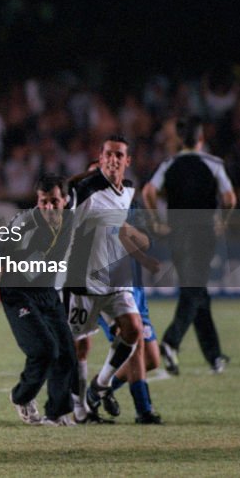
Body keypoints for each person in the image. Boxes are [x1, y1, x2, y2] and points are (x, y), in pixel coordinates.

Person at [0, 174, 77, 426]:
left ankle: (57, 413)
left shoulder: (71, 218)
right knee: (44, 350)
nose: (49, 207)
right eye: (43, 202)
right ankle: (21, 397)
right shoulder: (24, 223)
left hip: (47, 292)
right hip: (18, 293)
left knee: (66, 352)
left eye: (54, 201)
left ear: (65, 200)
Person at [60, 136, 146, 422]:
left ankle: (102, 383)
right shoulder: (84, 190)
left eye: (119, 155)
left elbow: (119, 223)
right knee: (79, 345)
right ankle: (80, 409)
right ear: (100, 158)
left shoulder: (129, 191)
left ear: (127, 161)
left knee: (134, 329)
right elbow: (63, 201)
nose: (114, 159)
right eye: (108, 154)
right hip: (82, 280)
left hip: (115, 278)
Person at [143, 117, 236, 375]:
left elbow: (148, 192)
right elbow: (230, 198)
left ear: (180, 140)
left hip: (177, 234)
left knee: (196, 292)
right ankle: (171, 342)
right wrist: (223, 221)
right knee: (194, 290)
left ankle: (214, 356)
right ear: (201, 139)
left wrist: (157, 221)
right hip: (203, 232)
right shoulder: (213, 163)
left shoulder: (169, 164)